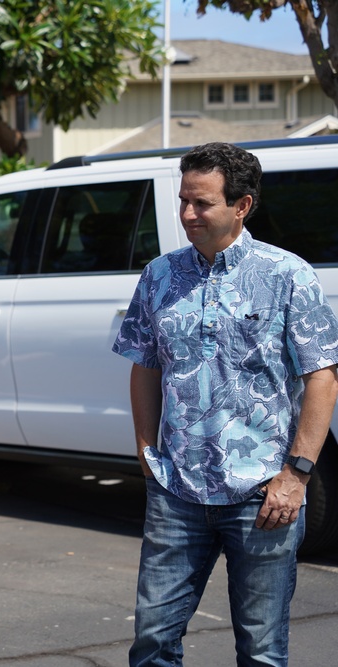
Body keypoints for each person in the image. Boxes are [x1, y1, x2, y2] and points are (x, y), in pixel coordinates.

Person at [113, 142, 338, 666]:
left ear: (242, 205)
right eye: (183, 200)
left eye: (203, 203)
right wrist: (147, 449)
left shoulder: (288, 276)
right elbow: (144, 365)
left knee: (261, 650)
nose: (187, 213)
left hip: (262, 496)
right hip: (177, 490)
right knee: (152, 643)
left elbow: (322, 379)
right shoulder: (160, 276)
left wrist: (297, 475)